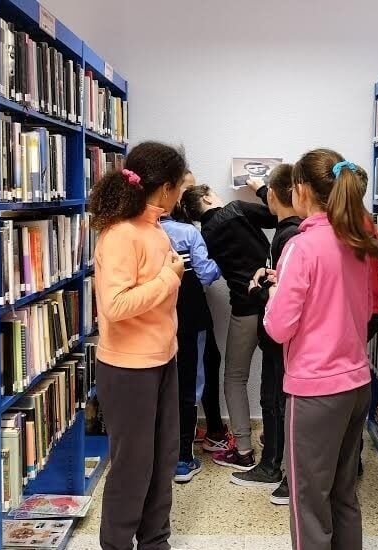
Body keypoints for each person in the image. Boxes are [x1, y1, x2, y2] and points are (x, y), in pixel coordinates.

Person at [263, 149, 378, 550]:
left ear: (300, 191)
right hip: (356, 383)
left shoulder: (302, 245)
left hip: (315, 390)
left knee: (308, 501)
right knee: (344, 493)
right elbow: (357, 309)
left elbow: (278, 328)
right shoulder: (357, 241)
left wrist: (274, 291)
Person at [88, 141, 187, 550]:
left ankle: (154, 540)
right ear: (164, 187)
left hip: (163, 358)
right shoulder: (120, 234)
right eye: (179, 185)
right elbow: (115, 305)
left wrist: (167, 275)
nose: (182, 194)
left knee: (163, 459)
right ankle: (116, 544)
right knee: (132, 465)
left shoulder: (154, 226)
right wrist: (169, 277)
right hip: (128, 367)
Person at [180, 183, 277, 469]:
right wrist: (262, 189)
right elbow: (276, 215)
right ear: (208, 197)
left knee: (235, 377)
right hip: (274, 302)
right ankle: (274, 440)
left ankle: (243, 450)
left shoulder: (204, 235)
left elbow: (207, 272)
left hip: (244, 307)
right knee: (276, 373)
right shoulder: (238, 209)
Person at [227, 165, 301, 506]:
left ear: (274, 195)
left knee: (275, 402)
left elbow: (284, 297)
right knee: (271, 400)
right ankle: (273, 465)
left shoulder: (290, 235)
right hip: (278, 337)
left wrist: (257, 289)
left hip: (279, 336)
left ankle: (276, 469)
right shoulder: (289, 228)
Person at [159, 173, 227, 483]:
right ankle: (183, 460)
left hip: (155, 319)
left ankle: (162, 453)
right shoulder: (188, 233)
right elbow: (207, 273)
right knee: (191, 385)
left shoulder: (142, 232)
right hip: (190, 317)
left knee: (161, 385)